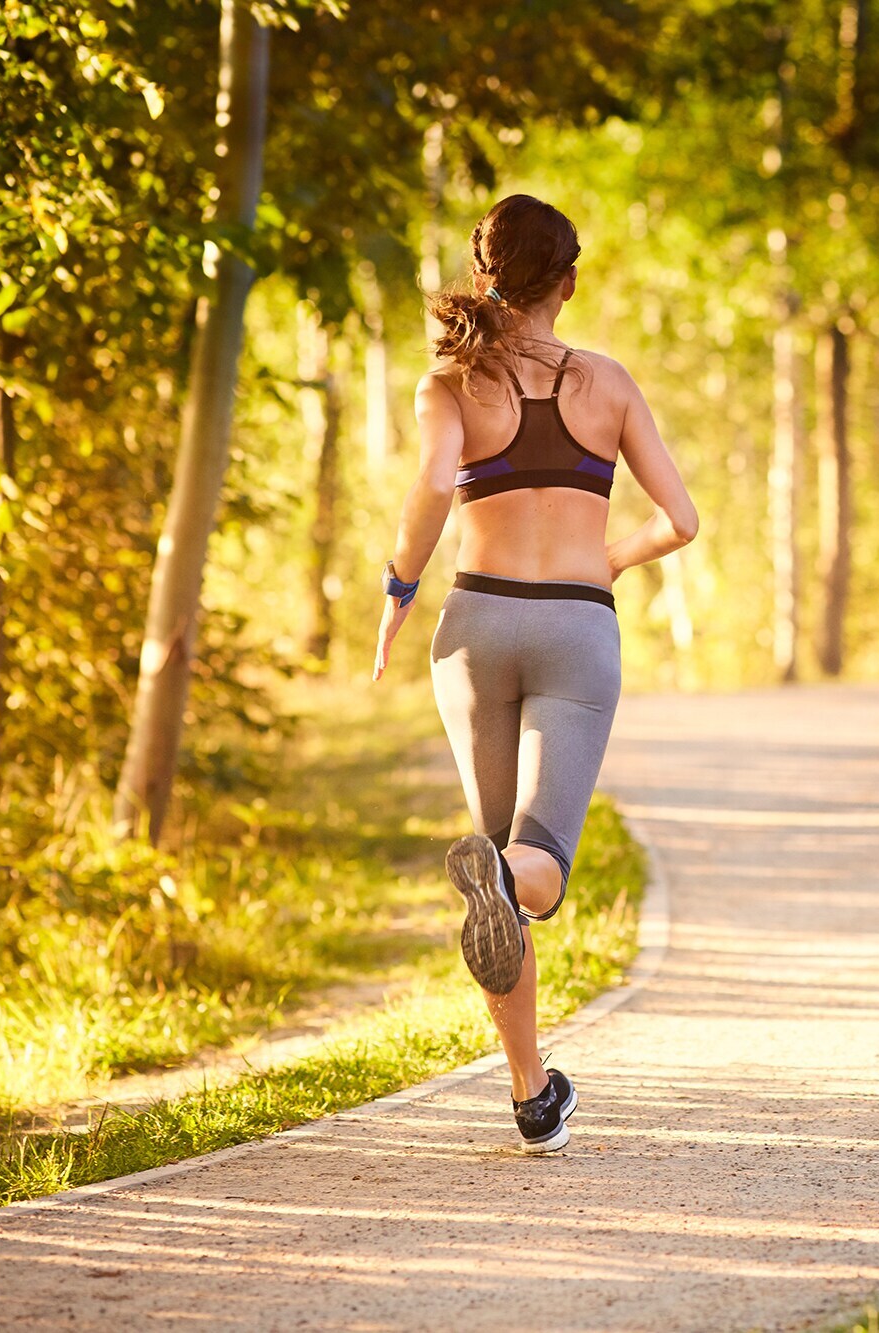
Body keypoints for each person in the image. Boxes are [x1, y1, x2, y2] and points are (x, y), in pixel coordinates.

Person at [371, 194, 697, 1153]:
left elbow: (435, 484)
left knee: (499, 872)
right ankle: (506, 880)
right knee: (535, 866)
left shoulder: (448, 383)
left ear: (485, 278)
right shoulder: (608, 383)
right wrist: (612, 558)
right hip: (573, 629)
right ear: (569, 282)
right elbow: (680, 519)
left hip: (473, 628)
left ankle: (531, 1091)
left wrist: (398, 589)